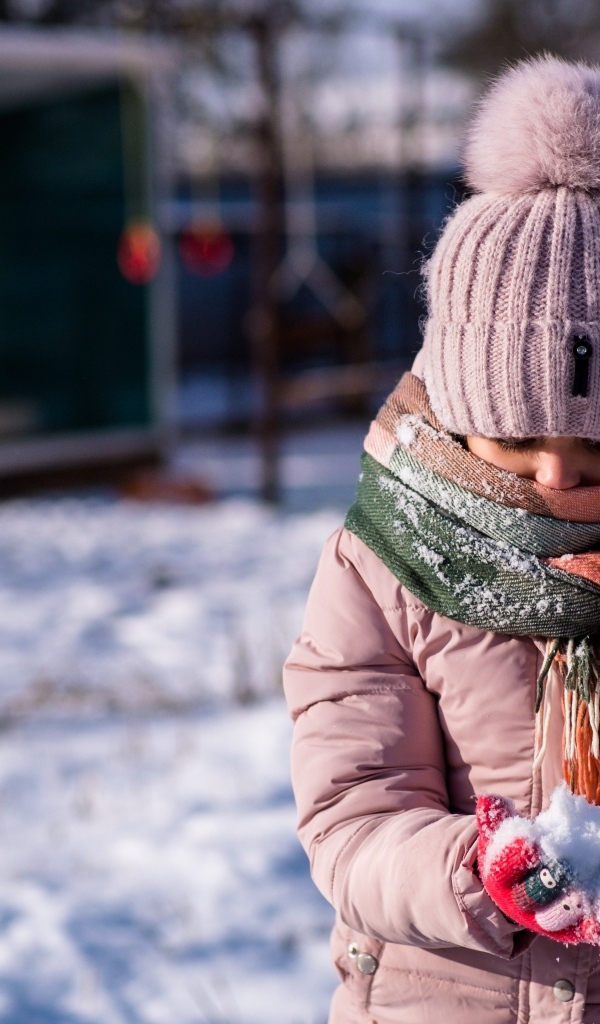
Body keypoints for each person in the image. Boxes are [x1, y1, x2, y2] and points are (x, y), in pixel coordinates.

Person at [283, 55, 600, 1024]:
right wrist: (473, 871)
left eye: (593, 445)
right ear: (461, 418)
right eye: (516, 439)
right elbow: (351, 817)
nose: (554, 474)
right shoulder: (386, 564)